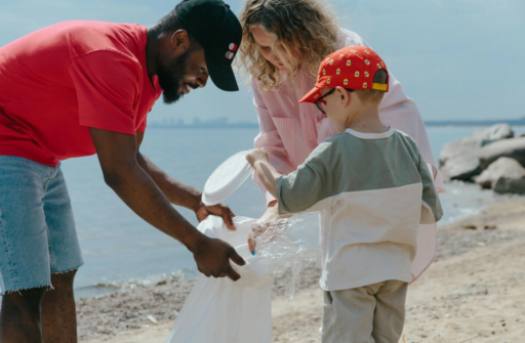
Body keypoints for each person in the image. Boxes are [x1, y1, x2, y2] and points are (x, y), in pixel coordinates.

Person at [0, 0, 245, 342]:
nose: (203, 82)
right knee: (25, 288)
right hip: (7, 146)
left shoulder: (147, 77)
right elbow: (118, 173)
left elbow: (132, 159)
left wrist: (197, 202)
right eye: (204, 69)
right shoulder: (110, 59)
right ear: (179, 41)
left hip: (39, 154)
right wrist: (196, 243)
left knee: (62, 274)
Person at [247, 45, 443, 343]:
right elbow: (430, 209)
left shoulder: (334, 151)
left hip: (350, 274)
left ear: (342, 95)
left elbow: (289, 193)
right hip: (395, 271)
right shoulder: (406, 146)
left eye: (322, 101)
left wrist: (260, 162)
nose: (321, 109)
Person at [238, 0, 441, 228]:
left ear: (304, 31)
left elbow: (392, 115)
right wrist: (274, 207)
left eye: (283, 44)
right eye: (265, 48)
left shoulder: (346, 56)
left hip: (365, 194)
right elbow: (274, 145)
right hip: (327, 201)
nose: (277, 57)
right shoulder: (265, 78)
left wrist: (259, 163)